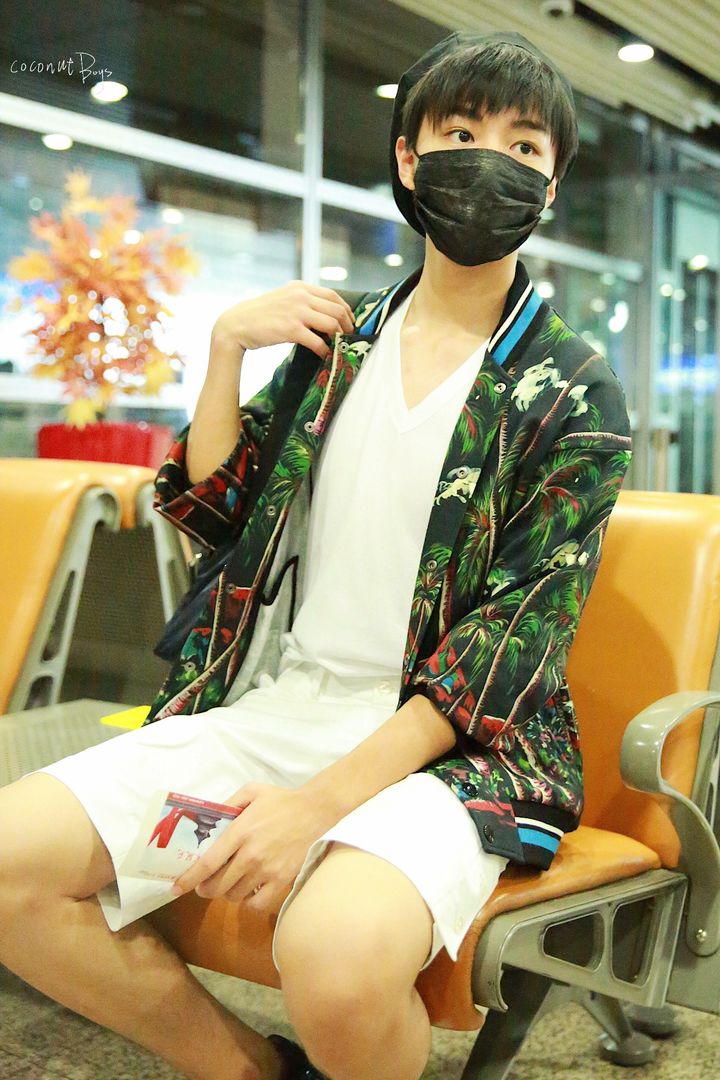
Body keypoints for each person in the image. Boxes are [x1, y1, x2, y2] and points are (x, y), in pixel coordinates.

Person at [0, 29, 632, 1080]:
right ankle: (255, 1070)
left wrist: (318, 806)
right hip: (279, 706)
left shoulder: (571, 390)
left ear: (554, 183)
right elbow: (217, 507)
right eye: (461, 134)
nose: (491, 160)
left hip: (456, 750)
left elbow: (506, 650)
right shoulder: (338, 343)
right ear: (408, 159)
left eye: (525, 146)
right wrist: (224, 350)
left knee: (333, 959)